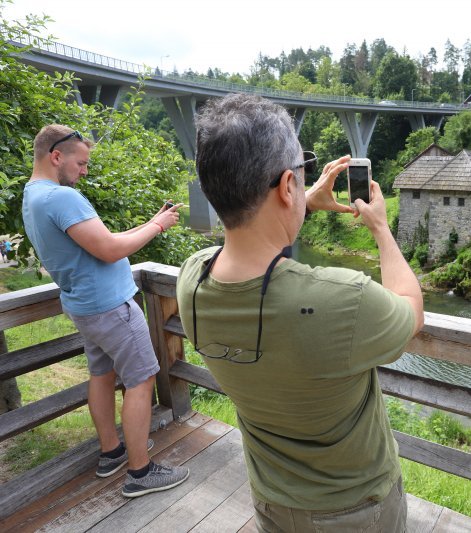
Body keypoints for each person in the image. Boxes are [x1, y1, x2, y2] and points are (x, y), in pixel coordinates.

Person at [175, 94, 424, 532]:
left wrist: (301, 200)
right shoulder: (342, 299)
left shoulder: (192, 280)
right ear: (287, 183)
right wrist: (381, 229)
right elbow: (411, 312)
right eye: (302, 169)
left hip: (272, 501)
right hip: (356, 509)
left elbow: (255, 238)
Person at [22, 124, 190, 498]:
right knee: (142, 380)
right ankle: (140, 472)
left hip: (84, 307)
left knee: (101, 375)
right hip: (111, 307)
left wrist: (150, 223)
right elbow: (112, 251)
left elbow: (103, 243)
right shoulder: (62, 198)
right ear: (56, 156)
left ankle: (112, 451)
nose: (84, 171)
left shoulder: (32, 196)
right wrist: (159, 227)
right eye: (80, 163)